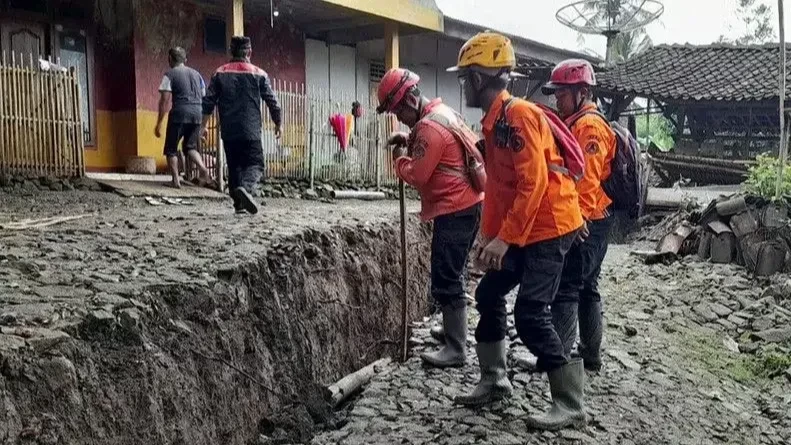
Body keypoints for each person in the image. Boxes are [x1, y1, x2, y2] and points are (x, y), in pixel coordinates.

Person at [447, 32, 587, 431]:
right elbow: (500, 188)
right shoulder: (495, 123)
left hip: (548, 227)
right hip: (525, 227)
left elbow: (534, 183)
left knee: (529, 313)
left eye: (465, 78)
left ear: (477, 79)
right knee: (489, 292)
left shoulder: (519, 116)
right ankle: (494, 379)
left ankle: (570, 402)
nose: (464, 85)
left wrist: (504, 239)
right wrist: (491, 240)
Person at [377, 67, 484, 369]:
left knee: (446, 276)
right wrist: (409, 138)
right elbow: (437, 146)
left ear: (409, 100)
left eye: (398, 110)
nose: (399, 116)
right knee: (455, 270)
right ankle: (452, 330)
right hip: (467, 204)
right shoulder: (441, 113)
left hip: (455, 208)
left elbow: (419, 174)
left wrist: (400, 160)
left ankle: (456, 348)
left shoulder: (428, 129)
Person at [542, 59, 617, 372]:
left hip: (589, 219)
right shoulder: (577, 121)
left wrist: (578, 219)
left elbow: (588, 177)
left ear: (582, 92)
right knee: (587, 286)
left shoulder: (589, 126)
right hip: (595, 216)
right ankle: (590, 354)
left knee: (568, 288)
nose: (557, 99)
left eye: (562, 93)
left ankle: (558, 359)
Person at [201, 36, 282, 214]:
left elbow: (208, 102)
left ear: (231, 52)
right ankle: (246, 189)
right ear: (250, 52)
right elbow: (273, 102)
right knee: (256, 164)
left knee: (235, 165)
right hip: (251, 129)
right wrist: (278, 123)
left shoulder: (219, 73)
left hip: (229, 130)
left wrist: (203, 126)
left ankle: (238, 205)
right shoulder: (259, 74)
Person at [155, 47, 212, 188]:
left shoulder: (170, 74)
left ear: (170, 59)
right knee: (190, 147)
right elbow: (205, 98)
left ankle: (175, 180)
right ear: (185, 60)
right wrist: (204, 123)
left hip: (180, 113)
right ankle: (203, 169)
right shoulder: (197, 75)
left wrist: (159, 123)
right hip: (197, 113)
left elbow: (165, 100)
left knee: (171, 148)